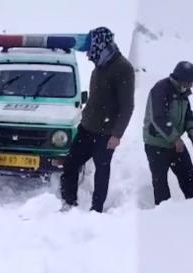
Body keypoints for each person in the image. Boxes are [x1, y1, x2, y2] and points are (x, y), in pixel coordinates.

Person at [60, 26, 135, 213]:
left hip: (106, 134)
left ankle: (96, 210)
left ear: (100, 46)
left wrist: (117, 134)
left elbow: (127, 106)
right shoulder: (99, 67)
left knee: (102, 172)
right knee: (70, 163)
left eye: (90, 51)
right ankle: (69, 203)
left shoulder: (123, 68)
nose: (88, 56)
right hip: (87, 129)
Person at [143, 61, 193, 206]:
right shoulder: (161, 89)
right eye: (189, 82)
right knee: (160, 183)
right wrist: (175, 138)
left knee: (189, 177)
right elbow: (159, 117)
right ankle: (165, 216)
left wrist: (191, 128)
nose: (191, 86)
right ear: (180, 79)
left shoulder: (183, 92)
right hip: (156, 144)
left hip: (175, 143)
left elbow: (188, 113)